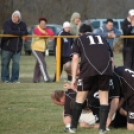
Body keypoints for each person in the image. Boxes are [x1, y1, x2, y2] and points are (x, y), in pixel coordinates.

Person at [66, 24, 113, 134]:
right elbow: (111, 59)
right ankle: (102, 129)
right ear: (91, 32)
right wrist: (110, 73)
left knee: (80, 97)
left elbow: (76, 58)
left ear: (81, 33)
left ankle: (72, 128)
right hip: (105, 69)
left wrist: (73, 79)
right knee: (104, 98)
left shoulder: (79, 39)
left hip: (88, 69)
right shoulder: (103, 38)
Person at [1, 10, 28, 83]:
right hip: (7, 47)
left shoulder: (23, 24)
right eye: (14, 16)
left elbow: (26, 32)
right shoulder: (7, 22)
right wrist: (20, 33)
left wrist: (18, 33)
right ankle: (5, 79)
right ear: (12, 17)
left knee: (16, 64)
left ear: (19, 18)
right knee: (5, 63)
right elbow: (9, 31)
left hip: (17, 48)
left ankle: (14, 79)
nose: (15, 18)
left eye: (17, 17)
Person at [31, 17, 54, 83]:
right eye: (41, 23)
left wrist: (48, 34)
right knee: (43, 63)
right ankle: (46, 78)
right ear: (39, 23)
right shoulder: (36, 29)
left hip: (43, 49)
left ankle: (36, 79)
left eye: (44, 24)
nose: (43, 25)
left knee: (39, 64)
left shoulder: (47, 29)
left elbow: (52, 34)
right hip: (36, 48)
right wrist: (47, 34)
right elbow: (40, 34)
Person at [113, 66, 134, 130]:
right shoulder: (120, 70)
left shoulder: (115, 75)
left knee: (131, 128)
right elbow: (123, 96)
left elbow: (116, 100)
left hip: (132, 97)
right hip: (130, 95)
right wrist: (118, 108)